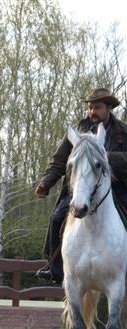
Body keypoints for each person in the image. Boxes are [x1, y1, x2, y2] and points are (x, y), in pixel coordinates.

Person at [35, 87, 127, 284]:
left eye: (98, 107)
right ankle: (54, 267)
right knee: (57, 217)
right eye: (90, 107)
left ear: (109, 108)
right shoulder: (78, 132)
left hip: (116, 188)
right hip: (81, 188)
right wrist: (46, 183)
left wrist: (107, 157)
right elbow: (59, 161)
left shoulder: (123, 132)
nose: (92, 112)